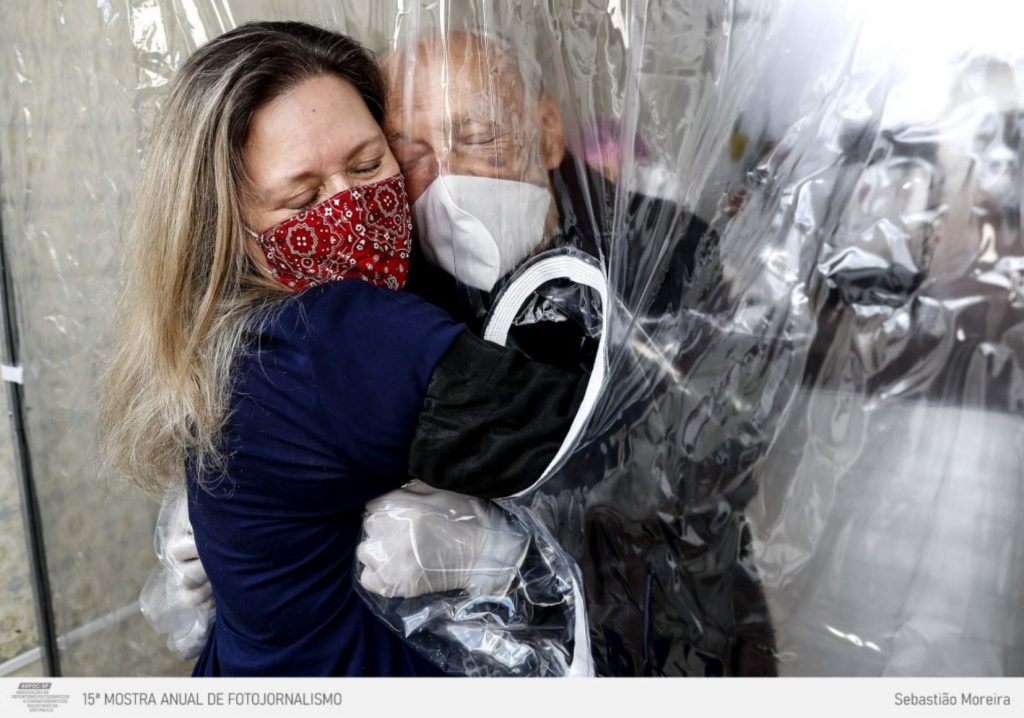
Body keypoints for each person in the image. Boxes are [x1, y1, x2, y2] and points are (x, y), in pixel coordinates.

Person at [99, 20, 589, 677]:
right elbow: (601, 442)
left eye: (368, 165)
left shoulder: (240, 330)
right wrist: (502, 551)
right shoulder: (333, 329)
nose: (352, 209)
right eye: (303, 198)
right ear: (226, 227)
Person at [374, 31, 778, 676]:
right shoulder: (390, 285)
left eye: (476, 137)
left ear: (547, 129)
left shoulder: (663, 250)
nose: (447, 179)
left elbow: (710, 457)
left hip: (664, 634)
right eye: (411, 153)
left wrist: (506, 553)